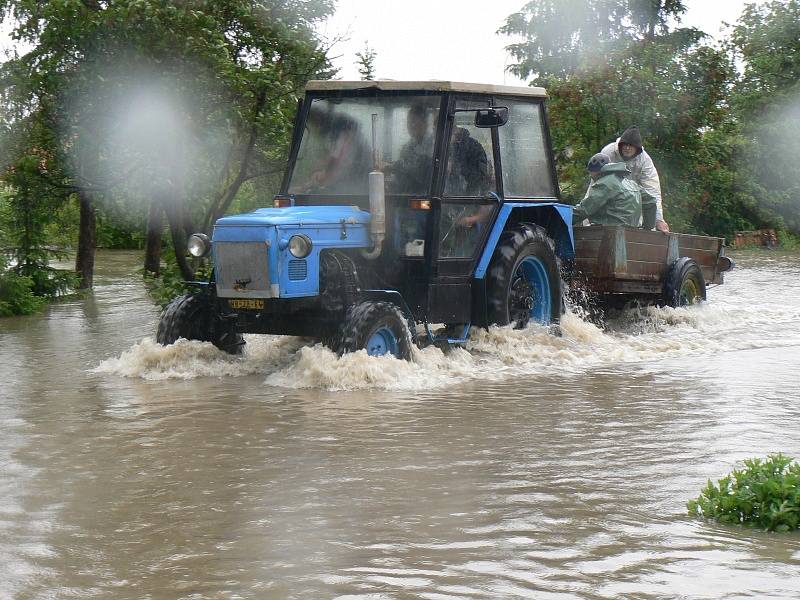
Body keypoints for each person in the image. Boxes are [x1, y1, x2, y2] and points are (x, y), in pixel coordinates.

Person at [600, 126, 669, 232]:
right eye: (625, 144)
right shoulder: (608, 153)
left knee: (638, 229)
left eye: (631, 145)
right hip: (606, 195)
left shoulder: (645, 161)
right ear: (620, 145)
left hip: (631, 201)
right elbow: (597, 182)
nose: (627, 148)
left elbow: (653, 191)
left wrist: (658, 219)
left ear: (637, 148)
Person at [572, 153, 642, 227]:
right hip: (633, 231)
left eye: (591, 172)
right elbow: (651, 200)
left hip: (608, 230)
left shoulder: (605, 183)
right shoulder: (631, 184)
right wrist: (647, 227)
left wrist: (564, 219)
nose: (591, 176)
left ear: (594, 172)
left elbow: (585, 208)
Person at [385, 103, 436, 194]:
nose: (410, 126)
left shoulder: (434, 145)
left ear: (425, 123)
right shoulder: (407, 147)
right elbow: (403, 176)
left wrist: (392, 167)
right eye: (408, 122)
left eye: (414, 122)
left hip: (427, 196)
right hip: (406, 197)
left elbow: (421, 170)